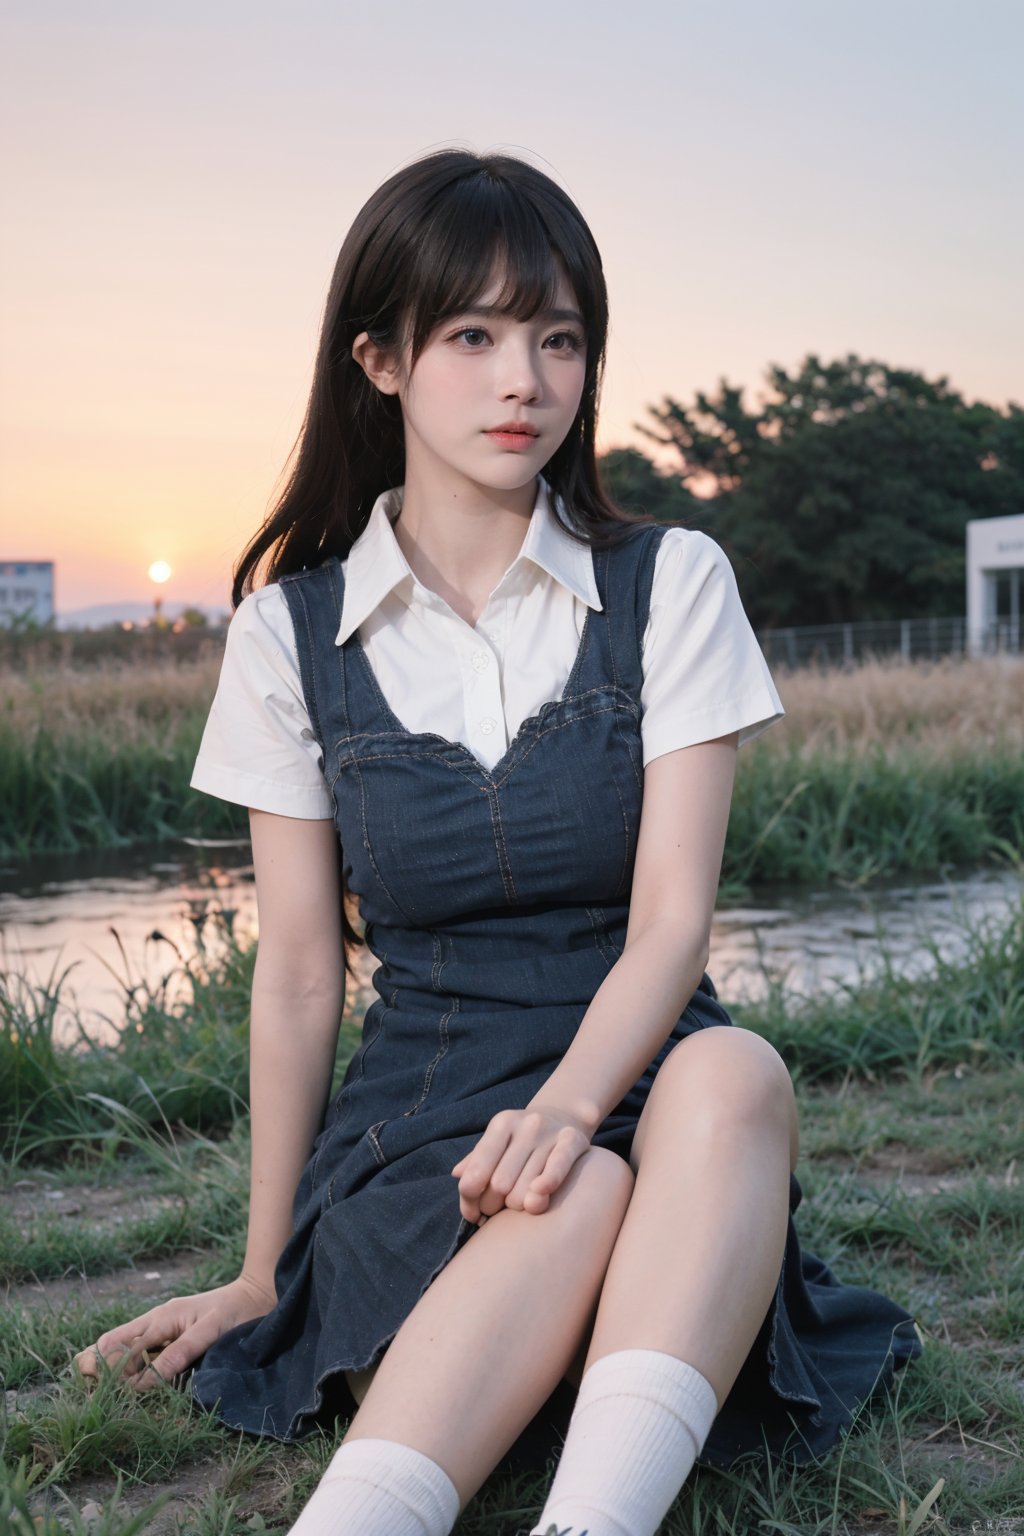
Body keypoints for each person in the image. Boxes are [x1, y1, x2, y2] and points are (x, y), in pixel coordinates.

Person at [75, 147, 922, 1536]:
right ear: (382, 359)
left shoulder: (670, 585)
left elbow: (670, 929)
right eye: (472, 334)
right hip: (424, 1120)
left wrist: (575, 1104)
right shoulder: (290, 634)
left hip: (646, 1081)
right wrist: (257, 1266)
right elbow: (297, 974)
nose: (523, 379)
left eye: (559, 337)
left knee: (733, 1069)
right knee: (565, 1188)